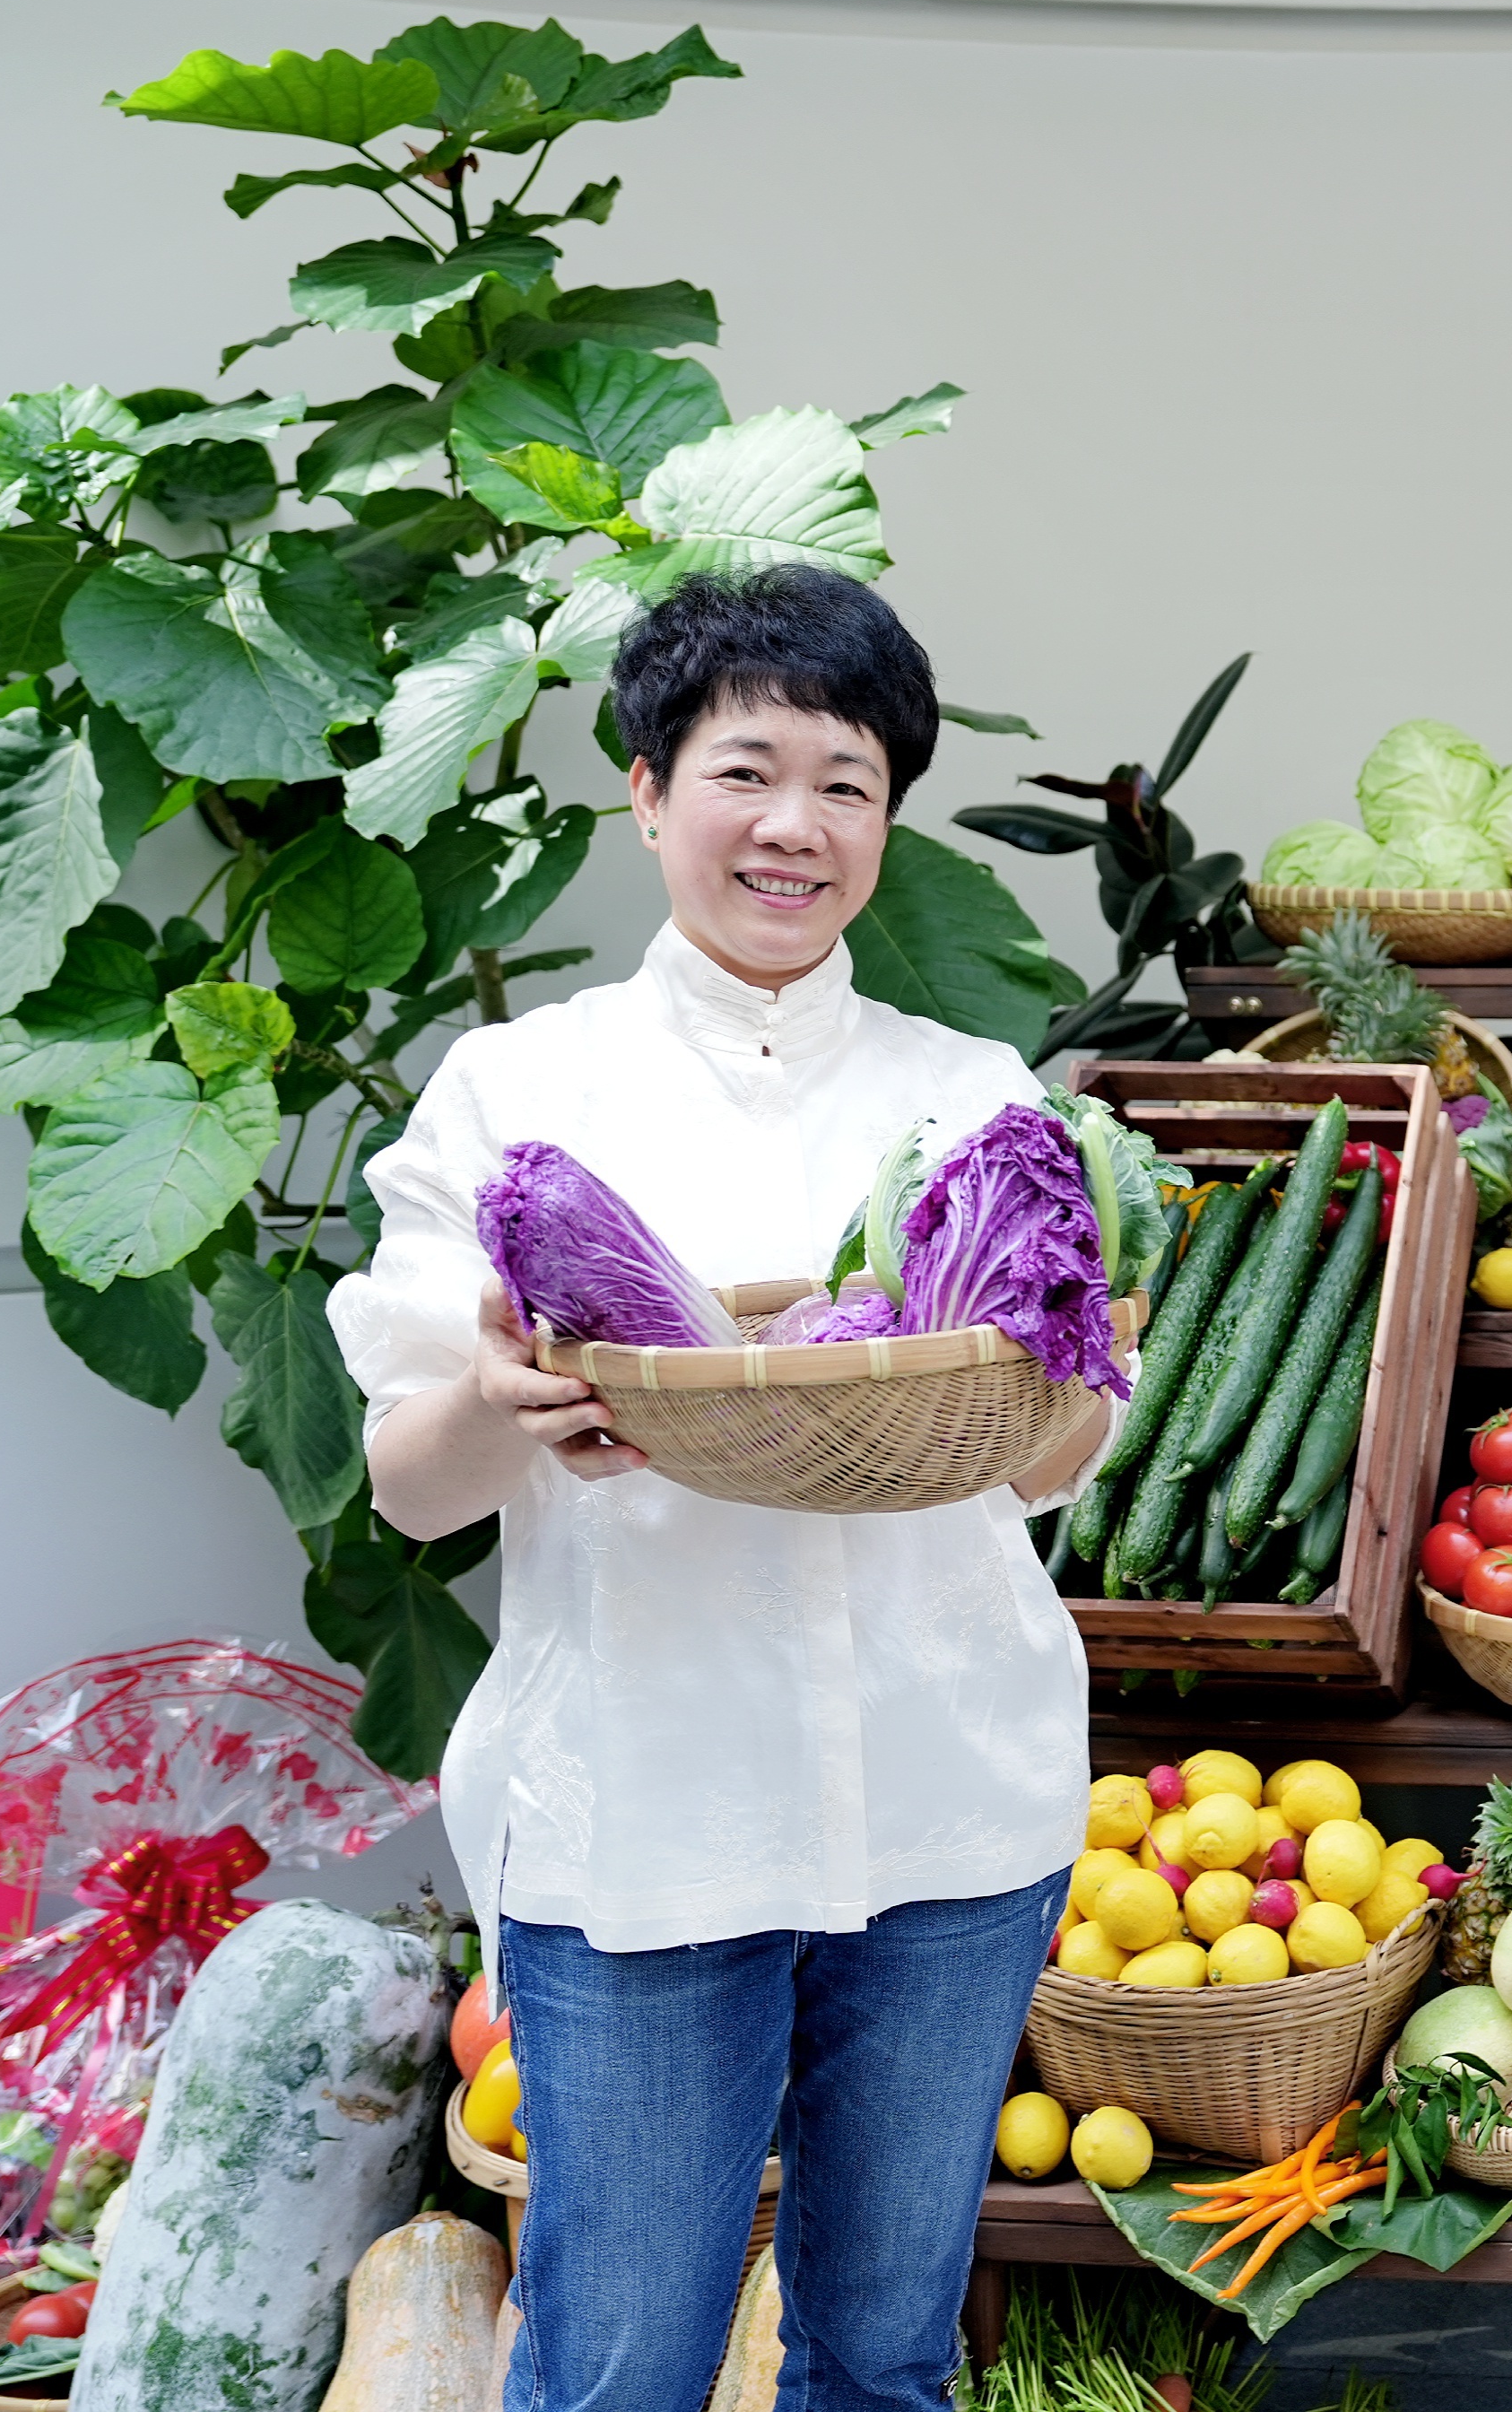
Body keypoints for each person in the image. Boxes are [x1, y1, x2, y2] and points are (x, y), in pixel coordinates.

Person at [335, 565, 1107, 2411]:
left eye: (846, 781)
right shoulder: (523, 1090)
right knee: (613, 2364)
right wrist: (506, 1399)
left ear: (889, 817)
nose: (793, 825)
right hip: (649, 1821)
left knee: (887, 2353)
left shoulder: (975, 1091)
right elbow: (407, 1480)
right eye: (745, 769)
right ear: (647, 789)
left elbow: (1071, 1443)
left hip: (949, 1799)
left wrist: (1000, 1399)